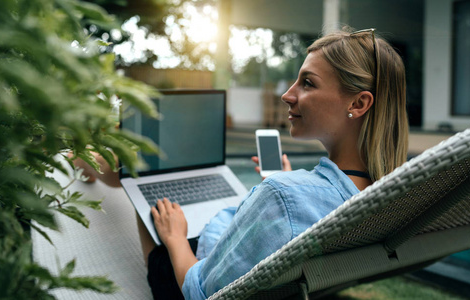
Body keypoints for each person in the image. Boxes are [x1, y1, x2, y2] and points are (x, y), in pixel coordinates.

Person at [145, 27, 409, 300]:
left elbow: (202, 294)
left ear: (358, 102)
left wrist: (175, 237)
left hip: (188, 279)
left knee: (143, 202)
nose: (287, 95)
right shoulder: (385, 202)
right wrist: (292, 192)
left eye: (308, 83)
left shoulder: (282, 194)